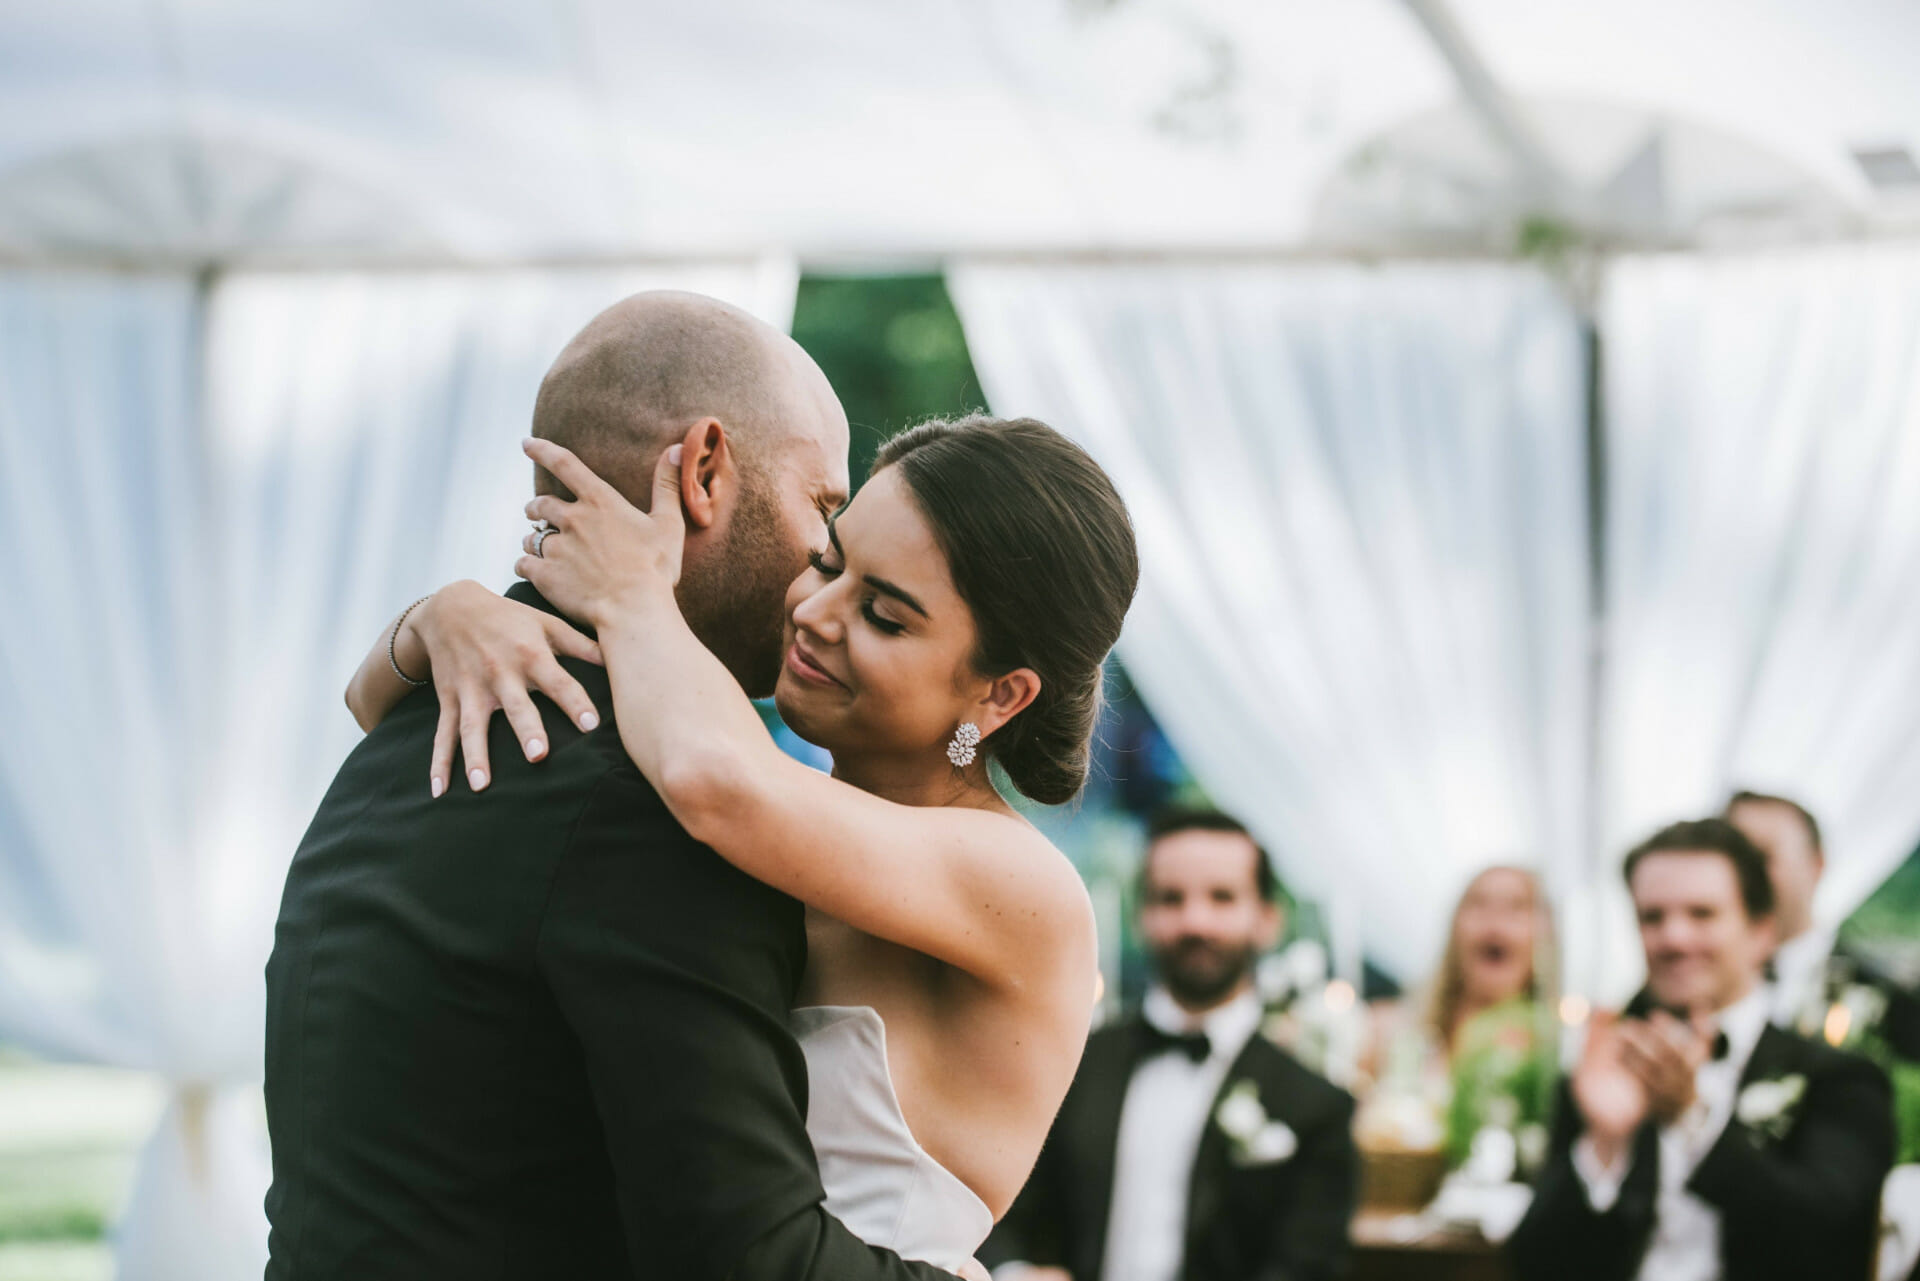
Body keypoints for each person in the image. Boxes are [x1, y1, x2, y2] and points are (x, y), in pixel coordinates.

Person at [265, 291, 1099, 1279]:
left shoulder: (997, 877)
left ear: (1000, 693)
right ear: (703, 470)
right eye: (828, 546)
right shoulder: (649, 797)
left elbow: (713, 778)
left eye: (883, 611)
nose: (813, 606)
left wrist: (623, 600)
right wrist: (436, 617)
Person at [981, 807, 1358, 1281]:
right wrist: (1014, 1273)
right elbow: (994, 1209)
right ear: (1142, 916)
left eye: (1222, 898)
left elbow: (1308, 1266)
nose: (1195, 921)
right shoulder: (1070, 1065)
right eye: (1171, 898)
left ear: (1268, 919)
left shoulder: (1316, 1106)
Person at [1508, 818, 1894, 1281]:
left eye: (1702, 914)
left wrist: (1690, 1120)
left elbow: (1829, 1245)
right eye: (1652, 917)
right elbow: (1533, 1264)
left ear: (1761, 932)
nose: (1673, 938)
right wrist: (1605, 1144)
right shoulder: (1605, 1067)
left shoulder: (1839, 1079)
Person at [1724, 790, 1920, 1057]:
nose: (1744, 875)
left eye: (1762, 856)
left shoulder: (1887, 1000)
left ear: (1816, 865)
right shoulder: (1682, 987)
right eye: (1730, 860)